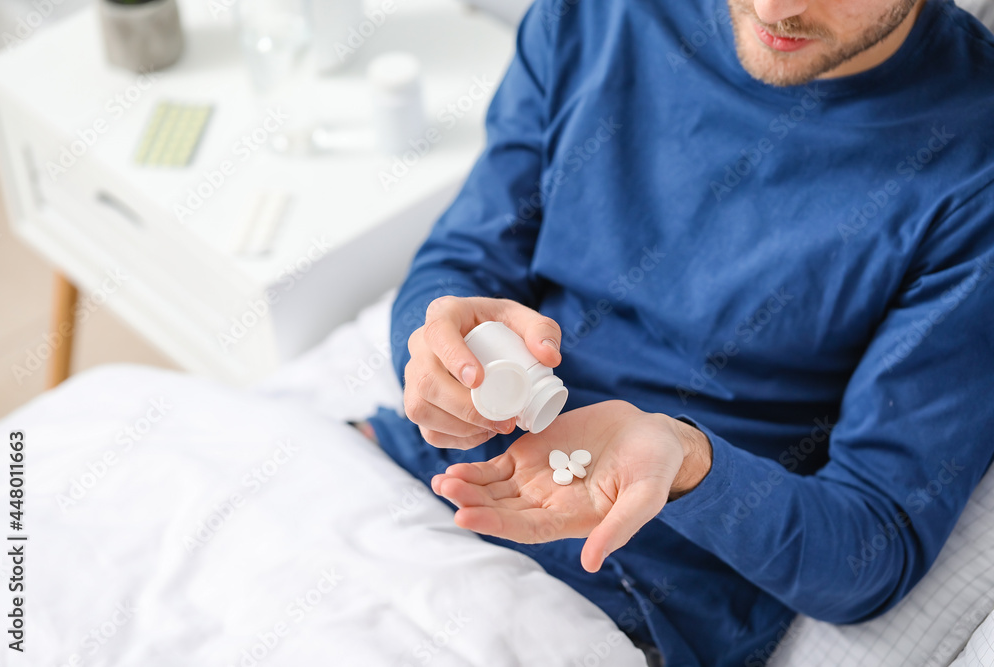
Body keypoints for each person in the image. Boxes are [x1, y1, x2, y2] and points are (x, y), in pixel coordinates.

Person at [362, 0, 994, 664]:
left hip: (617, 594)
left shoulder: (974, 172)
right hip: (405, 475)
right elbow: (462, 261)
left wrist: (686, 464)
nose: (775, 8)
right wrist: (436, 347)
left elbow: (872, 546)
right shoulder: (597, 15)